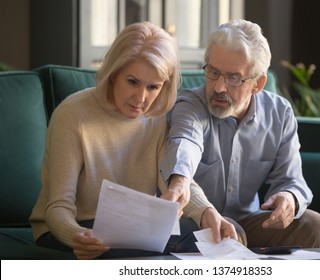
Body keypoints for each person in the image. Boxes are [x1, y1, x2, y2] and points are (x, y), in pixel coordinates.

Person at [29, 21, 237, 260]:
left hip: (135, 228)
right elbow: (57, 208)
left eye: (153, 87)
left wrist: (206, 212)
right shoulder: (72, 114)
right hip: (70, 228)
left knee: (213, 234)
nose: (141, 98)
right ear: (113, 73)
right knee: (186, 245)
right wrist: (77, 235)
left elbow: (174, 181)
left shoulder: (156, 118)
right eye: (132, 82)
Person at [161, 19, 320, 248]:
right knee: (227, 232)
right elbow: (185, 142)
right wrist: (179, 181)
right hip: (196, 222)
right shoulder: (190, 105)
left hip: (250, 223)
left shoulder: (279, 114)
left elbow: (291, 179)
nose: (219, 87)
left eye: (233, 78)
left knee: (313, 224)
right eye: (213, 72)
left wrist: (289, 198)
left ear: (258, 84)